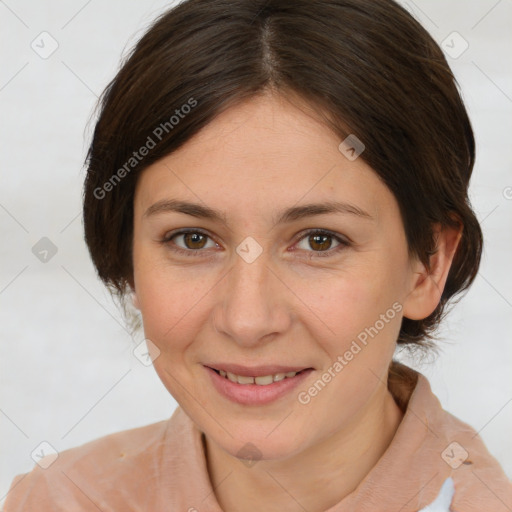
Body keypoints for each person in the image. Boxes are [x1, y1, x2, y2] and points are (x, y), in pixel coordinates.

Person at [4, 0, 511, 510]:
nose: (247, 321)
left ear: (428, 266)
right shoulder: (55, 499)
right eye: (192, 239)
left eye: (319, 241)